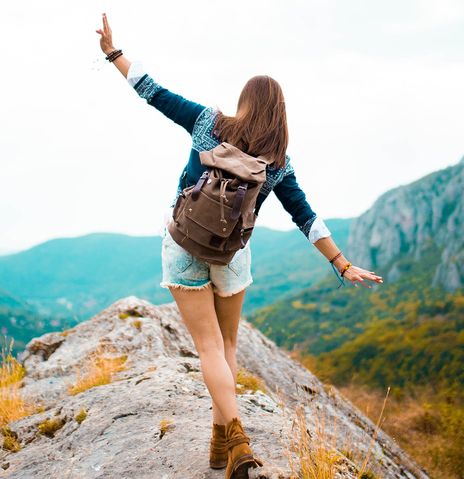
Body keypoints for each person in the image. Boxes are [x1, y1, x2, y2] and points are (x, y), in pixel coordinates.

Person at [96, 12, 383, 479]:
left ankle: (236, 442)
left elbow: (152, 90)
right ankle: (220, 446)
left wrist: (113, 53)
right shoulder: (278, 163)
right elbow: (306, 218)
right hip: (231, 256)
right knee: (226, 345)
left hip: (184, 243)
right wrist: (342, 263)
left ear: (245, 102)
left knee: (207, 348)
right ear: (280, 111)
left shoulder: (209, 122)